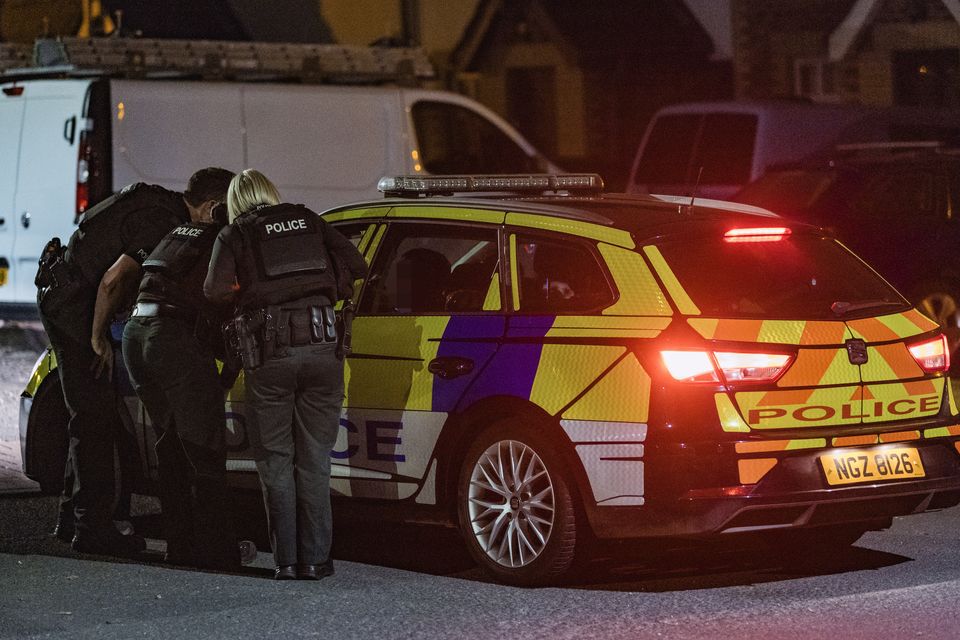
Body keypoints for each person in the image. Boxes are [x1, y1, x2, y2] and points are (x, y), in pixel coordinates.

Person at [35, 173, 212, 556]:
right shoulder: (164, 222)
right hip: (76, 307)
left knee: (88, 413)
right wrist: (98, 337)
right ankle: (93, 530)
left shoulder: (155, 200)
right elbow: (113, 279)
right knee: (95, 418)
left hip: (63, 292)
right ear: (210, 207)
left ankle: (73, 518)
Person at [204, 169, 367, 580]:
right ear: (272, 193)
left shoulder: (236, 234)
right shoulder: (308, 220)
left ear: (237, 201)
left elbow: (214, 291)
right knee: (314, 460)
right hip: (324, 345)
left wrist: (251, 295)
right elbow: (357, 263)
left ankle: (287, 561)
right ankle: (316, 560)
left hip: (271, 351)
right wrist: (328, 287)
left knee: (276, 460)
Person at [120, 167, 254, 570]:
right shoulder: (219, 239)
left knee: (172, 444)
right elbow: (226, 303)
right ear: (215, 208)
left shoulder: (174, 235)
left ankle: (180, 545)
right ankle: (220, 553)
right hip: (173, 340)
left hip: (137, 337)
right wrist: (227, 369)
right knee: (205, 450)